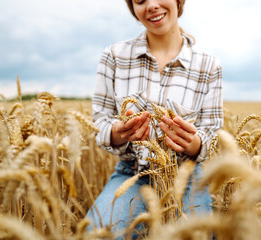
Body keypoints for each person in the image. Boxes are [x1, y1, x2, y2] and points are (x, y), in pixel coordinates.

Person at [86, 0, 223, 237]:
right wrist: (119, 133)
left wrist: (193, 144)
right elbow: (100, 120)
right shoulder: (113, 56)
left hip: (187, 176)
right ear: (132, 7)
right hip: (132, 172)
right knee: (96, 234)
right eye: (140, 0)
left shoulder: (208, 65)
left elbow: (211, 130)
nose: (151, 5)